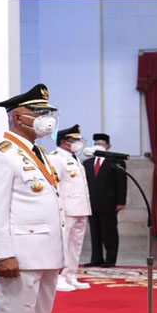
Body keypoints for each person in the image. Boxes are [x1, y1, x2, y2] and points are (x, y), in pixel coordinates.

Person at [0, 83, 65, 313]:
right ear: (17, 117)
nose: (45, 118)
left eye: (47, 112)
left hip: (45, 252)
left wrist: (59, 253)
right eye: (38, 112)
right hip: (18, 255)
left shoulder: (39, 153)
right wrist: (2, 254)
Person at [49, 124, 92, 292]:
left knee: (76, 244)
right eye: (74, 140)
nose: (77, 143)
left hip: (80, 207)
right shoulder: (56, 158)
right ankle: (59, 278)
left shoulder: (75, 158)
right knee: (64, 245)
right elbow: (55, 185)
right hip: (66, 209)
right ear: (63, 141)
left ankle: (71, 275)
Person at [82, 133, 127, 268]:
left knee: (109, 232)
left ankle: (110, 259)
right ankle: (96, 258)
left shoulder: (116, 162)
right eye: (95, 143)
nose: (98, 146)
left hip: (109, 203)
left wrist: (121, 201)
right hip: (92, 203)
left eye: (101, 143)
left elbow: (121, 183)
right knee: (95, 233)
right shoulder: (87, 163)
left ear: (108, 146)